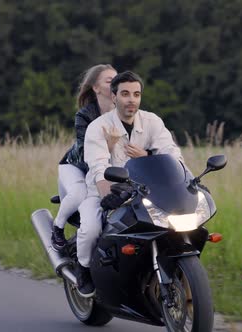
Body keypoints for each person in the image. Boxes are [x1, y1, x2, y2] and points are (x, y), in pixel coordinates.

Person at [76, 71, 186, 297]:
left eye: (136, 94)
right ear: (114, 97)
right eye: (125, 94)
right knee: (90, 229)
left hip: (147, 189)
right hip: (104, 193)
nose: (131, 100)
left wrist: (189, 183)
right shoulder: (98, 127)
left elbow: (173, 155)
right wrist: (108, 195)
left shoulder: (152, 121)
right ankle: (83, 267)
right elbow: (98, 166)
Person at [52, 64, 118, 250]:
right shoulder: (85, 114)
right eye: (110, 81)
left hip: (103, 168)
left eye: (118, 80)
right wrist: (108, 146)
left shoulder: (124, 113)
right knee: (80, 193)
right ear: (96, 88)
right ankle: (57, 228)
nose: (116, 84)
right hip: (75, 166)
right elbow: (85, 153)